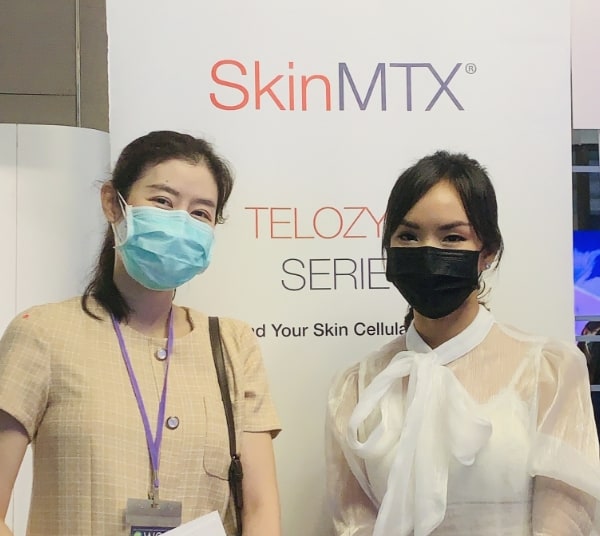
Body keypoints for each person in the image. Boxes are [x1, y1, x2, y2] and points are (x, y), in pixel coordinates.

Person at [0, 130, 281, 536]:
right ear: (113, 203)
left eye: (200, 213)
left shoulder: (232, 344)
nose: (180, 222)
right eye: (163, 201)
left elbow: (260, 509)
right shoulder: (42, 333)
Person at [326, 150, 600, 535]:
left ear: (487, 252)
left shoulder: (550, 370)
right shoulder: (357, 388)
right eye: (408, 236)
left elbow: (568, 518)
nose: (428, 251)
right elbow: (353, 520)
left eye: (452, 237)